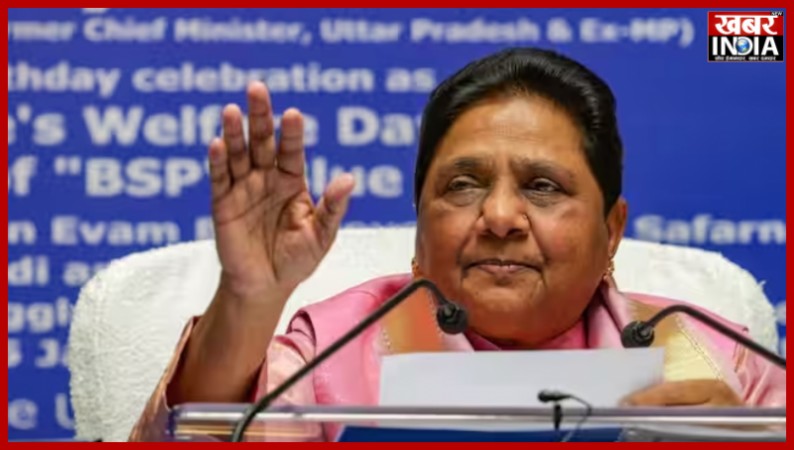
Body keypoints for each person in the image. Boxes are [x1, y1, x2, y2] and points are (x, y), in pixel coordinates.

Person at [130, 48, 785, 442]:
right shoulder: (331, 353)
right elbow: (204, 433)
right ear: (420, 222)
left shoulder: (710, 357)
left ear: (611, 229)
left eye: (543, 187)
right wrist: (247, 298)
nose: (498, 216)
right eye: (463, 184)